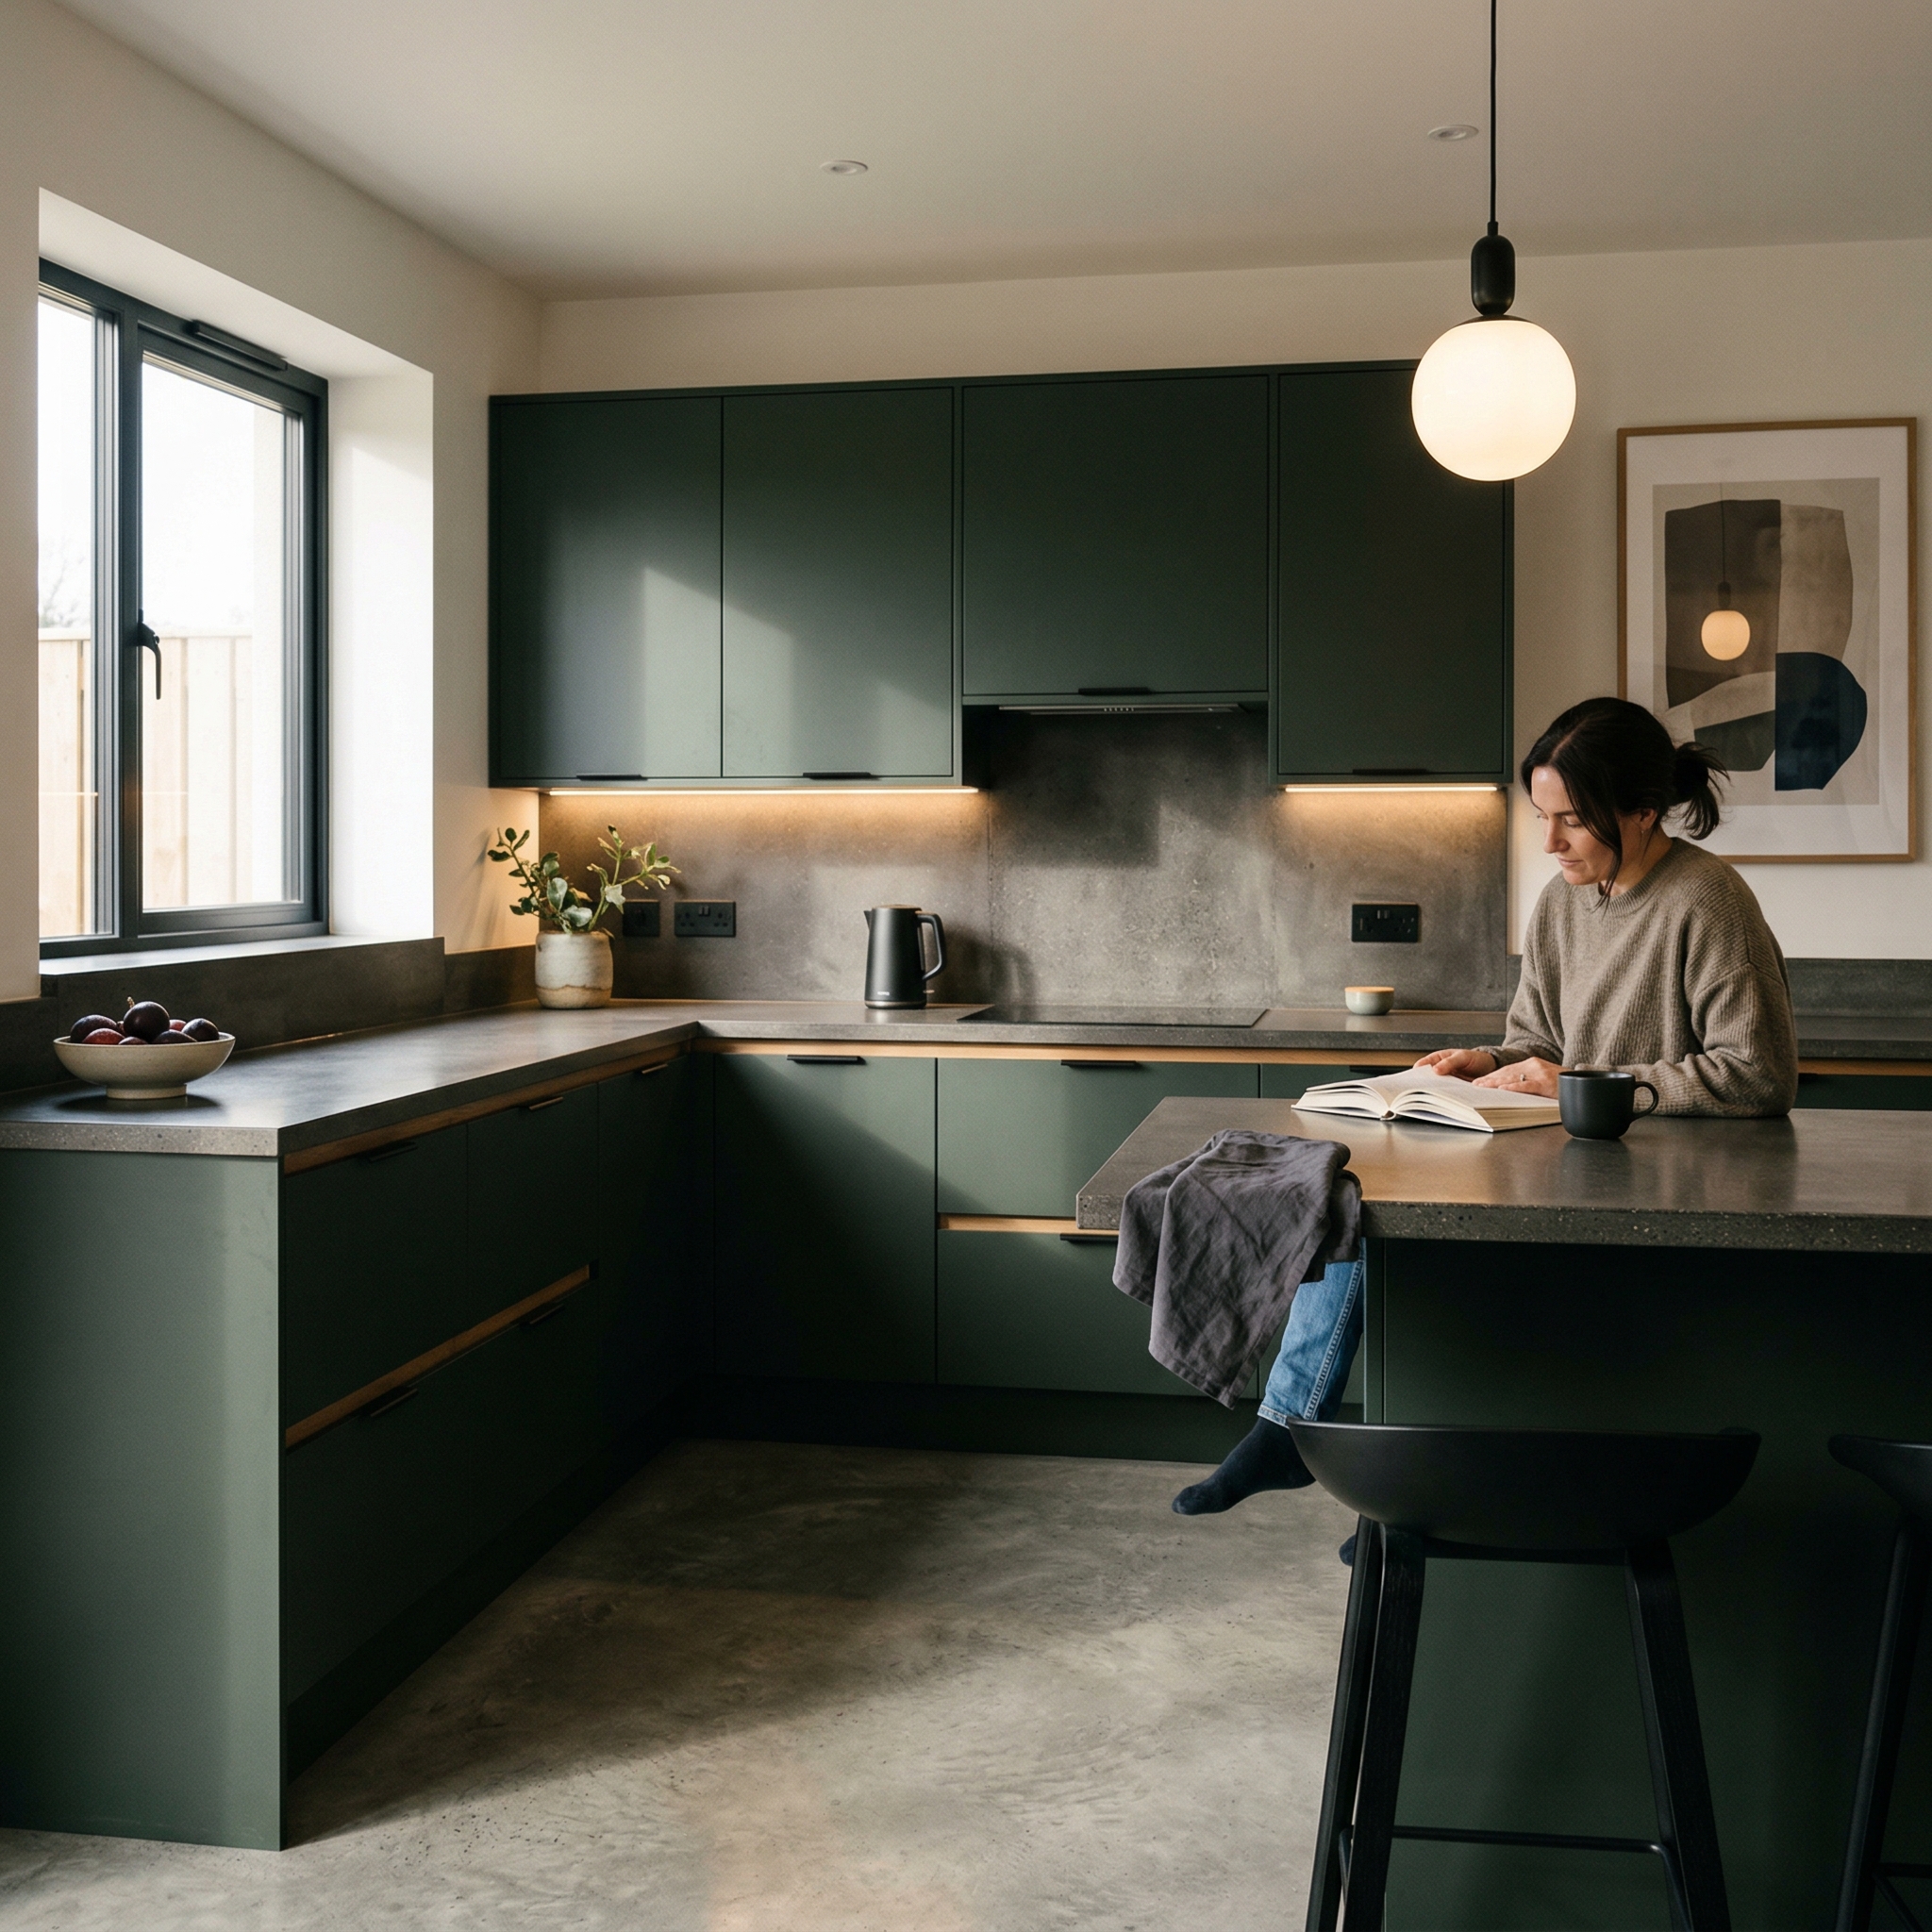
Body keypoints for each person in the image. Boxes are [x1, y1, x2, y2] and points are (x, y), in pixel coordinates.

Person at [1171, 694, 1799, 1518]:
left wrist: (1582, 1082)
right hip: (1562, 1165)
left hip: (1656, 1188)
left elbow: (1758, 1073)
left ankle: (1403, 1500)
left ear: (1642, 812)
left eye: (1571, 821)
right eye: (1542, 816)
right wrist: (1486, 1059)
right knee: (1361, 1208)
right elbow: (1537, 1038)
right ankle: (1332, 1454)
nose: (1549, 843)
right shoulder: (1563, 901)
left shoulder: (1708, 901)